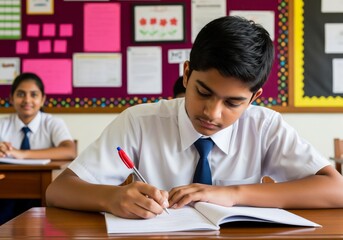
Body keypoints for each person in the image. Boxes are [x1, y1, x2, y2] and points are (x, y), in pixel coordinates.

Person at [46, 16, 343, 220]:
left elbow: (336, 190)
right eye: (203, 92)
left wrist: (231, 194)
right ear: (187, 74)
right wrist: (110, 198)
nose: (212, 113)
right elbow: (58, 190)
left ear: (254, 98)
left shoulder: (264, 125)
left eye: (233, 102)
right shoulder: (139, 121)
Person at [0, 72, 77, 225]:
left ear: (42, 99)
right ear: (11, 98)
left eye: (33, 95)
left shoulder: (53, 123)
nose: (27, 100)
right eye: (21, 94)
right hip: (5, 190)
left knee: (34, 220)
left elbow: (70, 150)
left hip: (42, 189)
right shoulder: (2, 124)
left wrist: (22, 154)